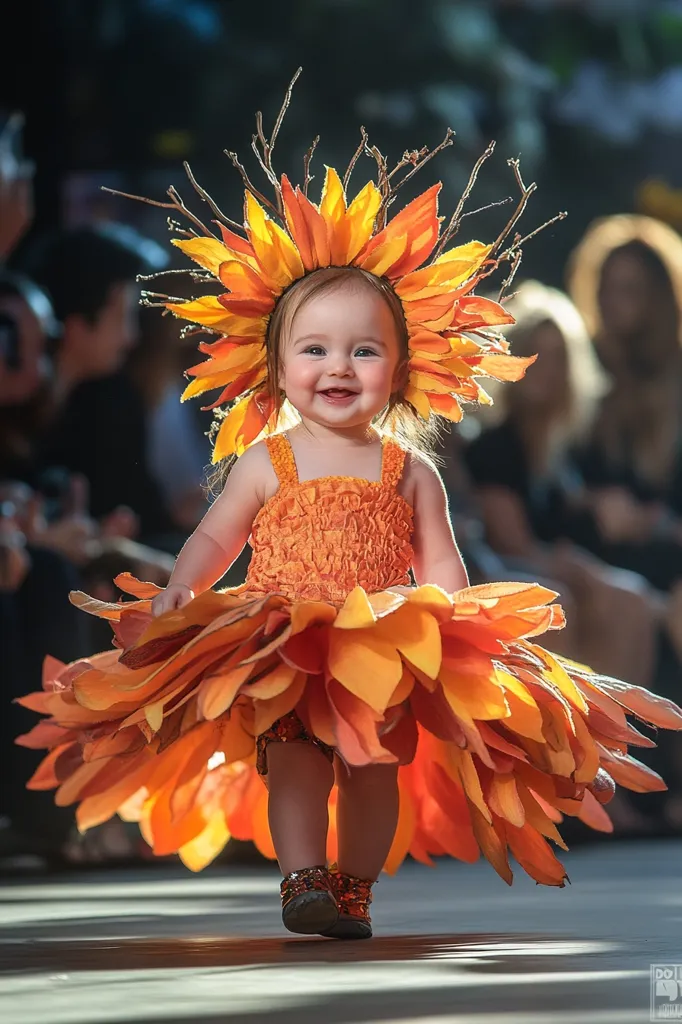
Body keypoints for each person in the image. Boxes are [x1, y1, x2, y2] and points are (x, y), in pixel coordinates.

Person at [17, 100, 682, 939]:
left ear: (401, 367)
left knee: (374, 767)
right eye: (315, 348)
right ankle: (302, 878)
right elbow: (218, 535)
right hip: (285, 636)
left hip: (384, 643)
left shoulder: (413, 470)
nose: (339, 366)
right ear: (277, 364)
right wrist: (181, 592)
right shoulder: (268, 459)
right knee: (294, 755)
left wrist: (453, 631)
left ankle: (354, 886)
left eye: (363, 350)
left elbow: (442, 563)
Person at [464, 280, 659, 687]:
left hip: (554, 568)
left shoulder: (560, 456)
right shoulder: (495, 446)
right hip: (506, 572)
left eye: (557, 357)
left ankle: (621, 740)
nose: (545, 368)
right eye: (533, 352)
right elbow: (510, 542)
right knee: (582, 600)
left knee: (634, 599)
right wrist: (579, 569)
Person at [17, 224, 178, 542]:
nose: (131, 338)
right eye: (121, 317)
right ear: (76, 326)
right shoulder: (15, 417)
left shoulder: (109, 402)